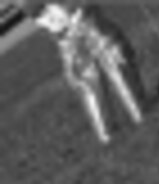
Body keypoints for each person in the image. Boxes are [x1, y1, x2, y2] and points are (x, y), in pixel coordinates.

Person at [28, 2, 146, 145]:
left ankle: (138, 109)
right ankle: (108, 131)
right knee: (89, 77)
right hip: (64, 26)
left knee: (113, 57)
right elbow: (31, 7)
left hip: (85, 16)